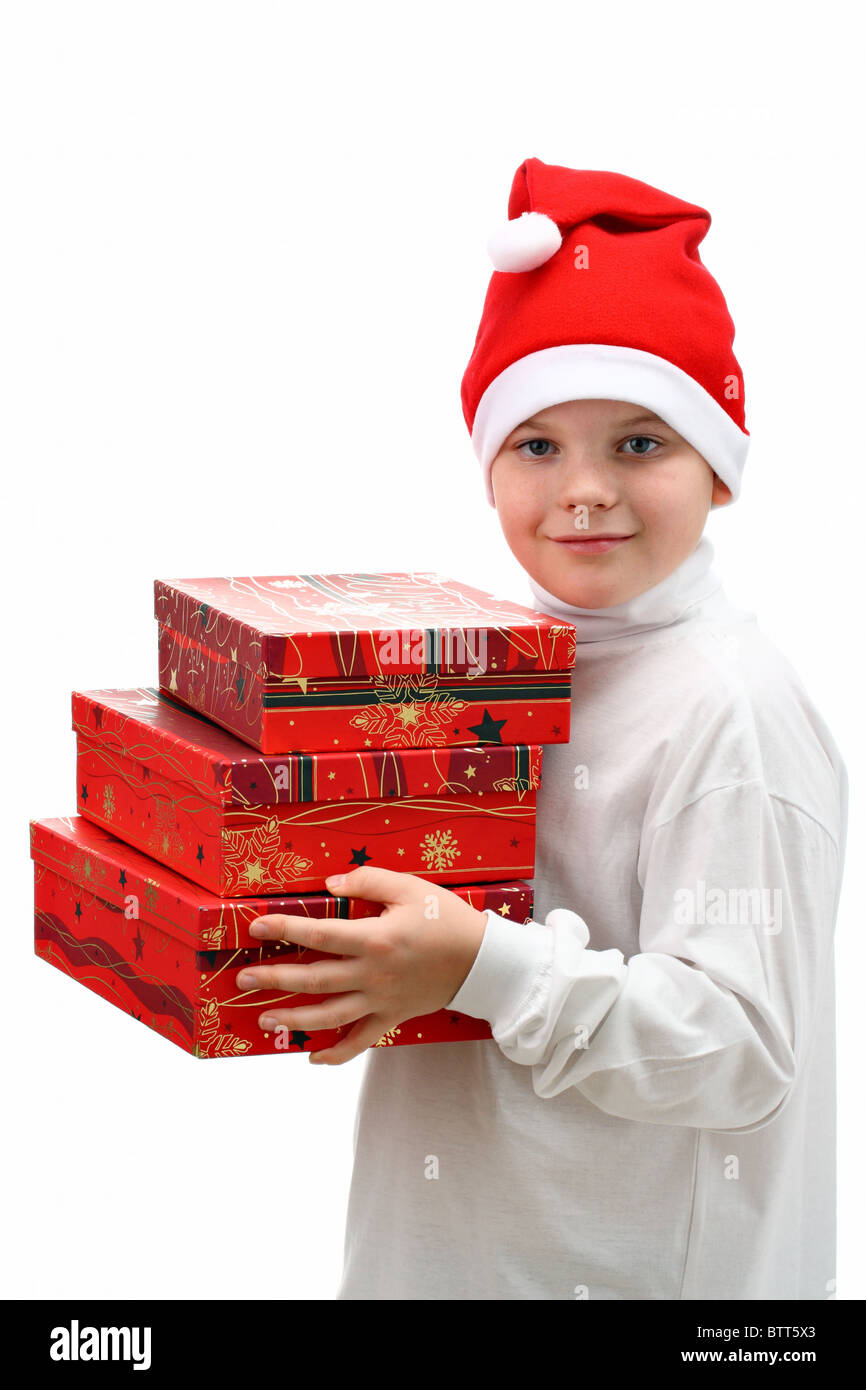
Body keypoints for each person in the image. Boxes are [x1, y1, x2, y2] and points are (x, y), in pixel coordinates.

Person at [240, 158, 848, 1299]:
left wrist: (478, 965)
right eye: (536, 444)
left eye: (637, 442)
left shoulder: (734, 715)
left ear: (717, 470)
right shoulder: (484, 669)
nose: (583, 491)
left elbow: (738, 1050)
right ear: (486, 467)